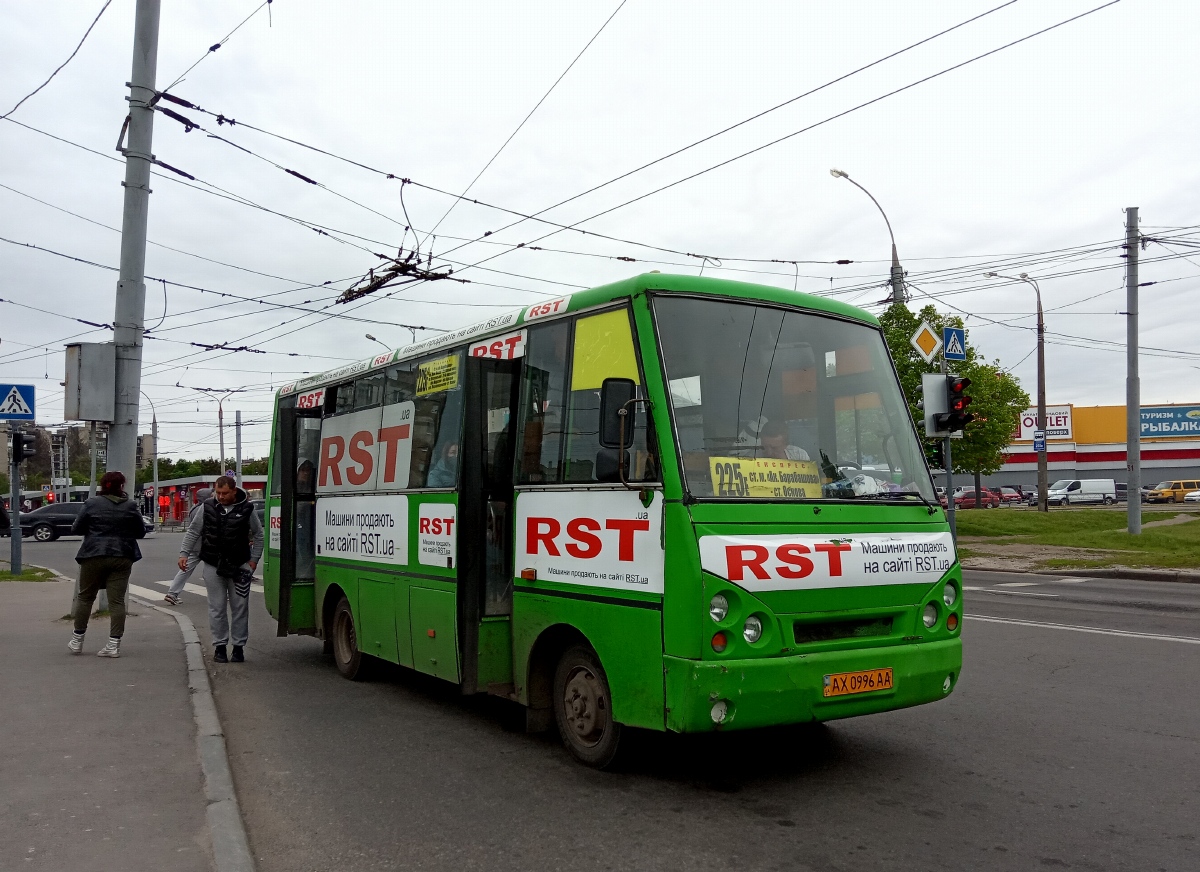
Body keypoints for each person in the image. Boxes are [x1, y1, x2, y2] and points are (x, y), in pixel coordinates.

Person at [178, 476, 264, 664]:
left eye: (225, 493)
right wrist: (184, 553)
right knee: (216, 608)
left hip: (240, 565)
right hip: (212, 564)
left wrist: (253, 561)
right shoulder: (207, 507)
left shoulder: (247, 508)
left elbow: (259, 535)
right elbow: (193, 531)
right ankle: (220, 647)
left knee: (240, 607)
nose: (221, 497)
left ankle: (239, 648)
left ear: (234, 491)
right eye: (218, 493)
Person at [67, 471, 146, 658]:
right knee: (117, 601)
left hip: (93, 554)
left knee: (86, 597)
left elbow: (76, 528)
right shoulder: (130, 506)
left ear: (103, 485)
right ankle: (113, 645)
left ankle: (77, 641)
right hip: (122, 555)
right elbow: (140, 532)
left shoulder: (91, 503)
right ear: (122, 485)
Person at [163, 487, 211, 605]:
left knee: (185, 570)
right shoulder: (205, 508)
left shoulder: (194, 508)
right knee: (214, 570)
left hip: (195, 546)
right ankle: (221, 594)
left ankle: (172, 593)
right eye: (211, 495)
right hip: (205, 545)